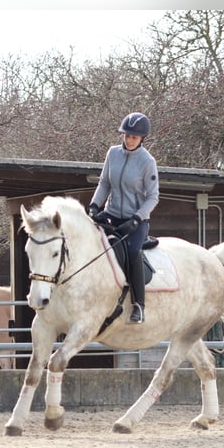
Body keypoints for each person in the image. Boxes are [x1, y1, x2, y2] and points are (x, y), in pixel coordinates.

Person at [88, 112, 159, 324]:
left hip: (134, 221)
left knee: (132, 251)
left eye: (134, 137)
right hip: (111, 214)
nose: (129, 140)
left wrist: (137, 218)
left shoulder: (147, 162)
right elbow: (104, 184)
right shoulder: (113, 154)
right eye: (127, 135)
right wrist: (93, 205)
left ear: (142, 139)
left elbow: (153, 197)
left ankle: (139, 305)